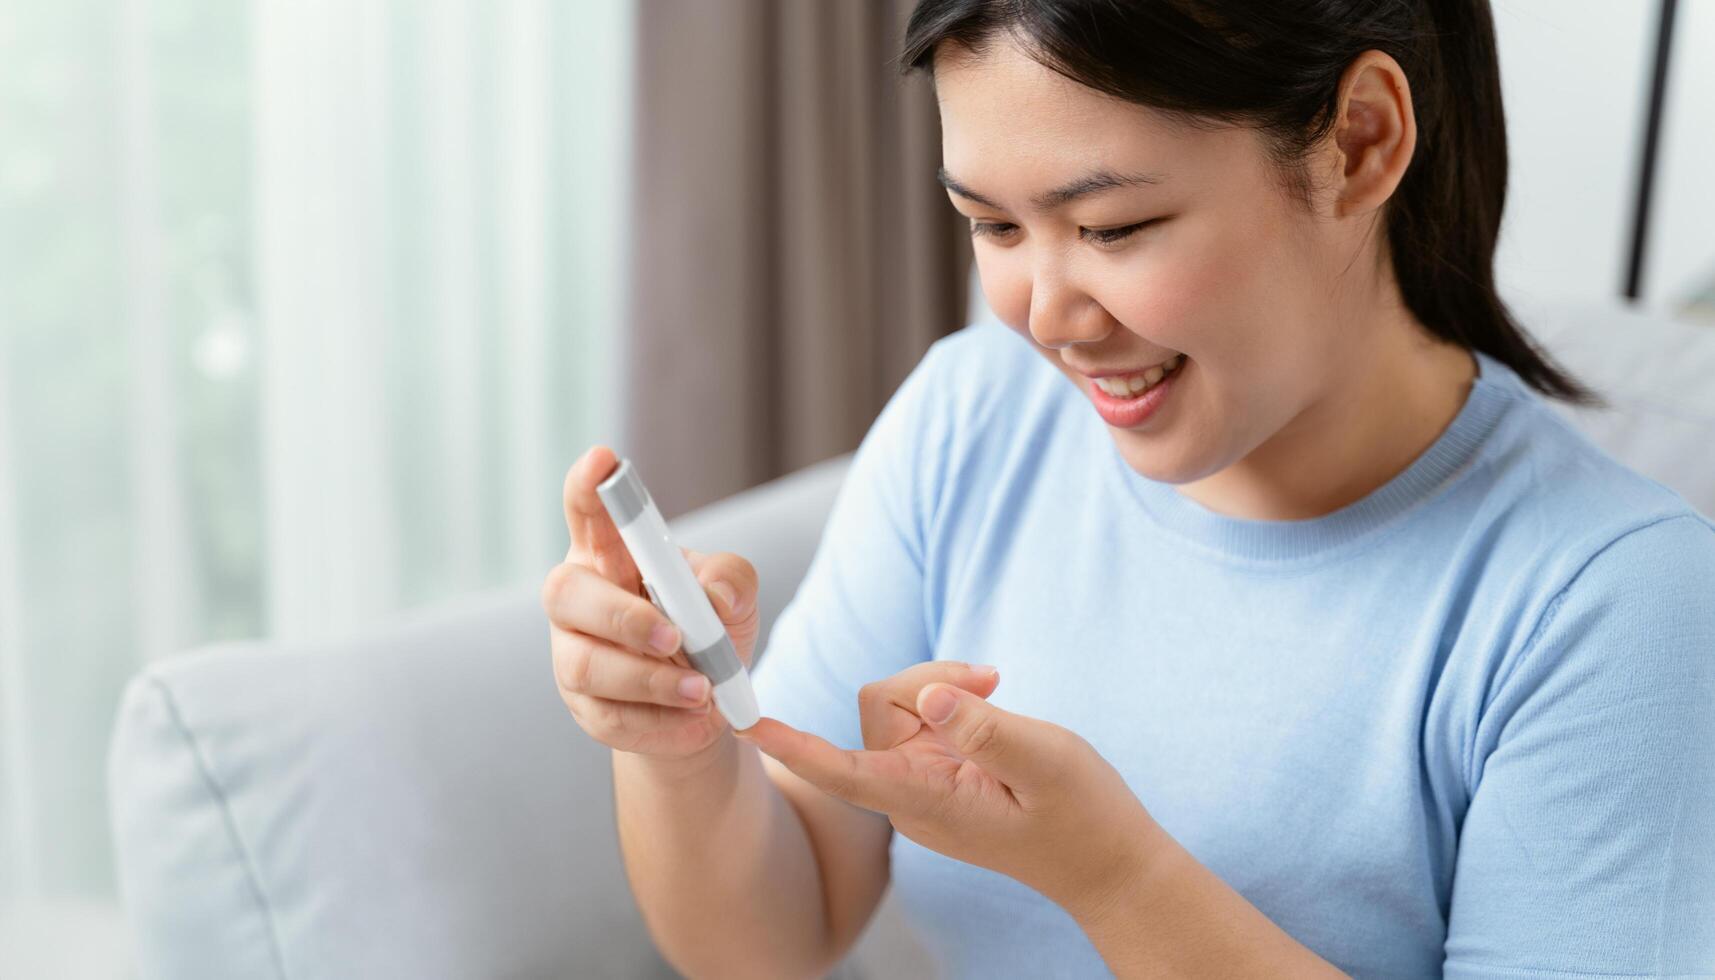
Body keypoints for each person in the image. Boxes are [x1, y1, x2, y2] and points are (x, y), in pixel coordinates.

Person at [540, 0, 1715, 976]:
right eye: (992, 225)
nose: (1046, 316)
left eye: (1112, 226)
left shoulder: (1610, 603)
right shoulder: (974, 417)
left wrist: (1114, 875)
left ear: (1359, 139)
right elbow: (763, 938)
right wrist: (678, 745)